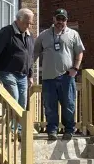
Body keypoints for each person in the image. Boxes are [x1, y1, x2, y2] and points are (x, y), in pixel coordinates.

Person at [34, 8, 84, 141]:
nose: (60, 21)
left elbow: (79, 51)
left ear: (66, 21)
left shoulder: (73, 34)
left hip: (66, 77)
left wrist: (75, 68)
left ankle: (69, 130)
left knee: (69, 104)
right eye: (58, 18)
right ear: (53, 19)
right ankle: (52, 130)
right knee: (50, 106)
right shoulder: (44, 35)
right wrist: (28, 70)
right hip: (48, 77)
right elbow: (34, 52)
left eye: (63, 19)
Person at [0, 8, 35, 117]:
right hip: (8, 72)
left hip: (23, 75)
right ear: (18, 20)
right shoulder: (7, 32)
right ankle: (11, 128)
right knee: (14, 98)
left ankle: (18, 129)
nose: (28, 26)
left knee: (22, 103)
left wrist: (31, 75)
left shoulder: (29, 36)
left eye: (30, 23)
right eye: (26, 23)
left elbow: (30, 56)